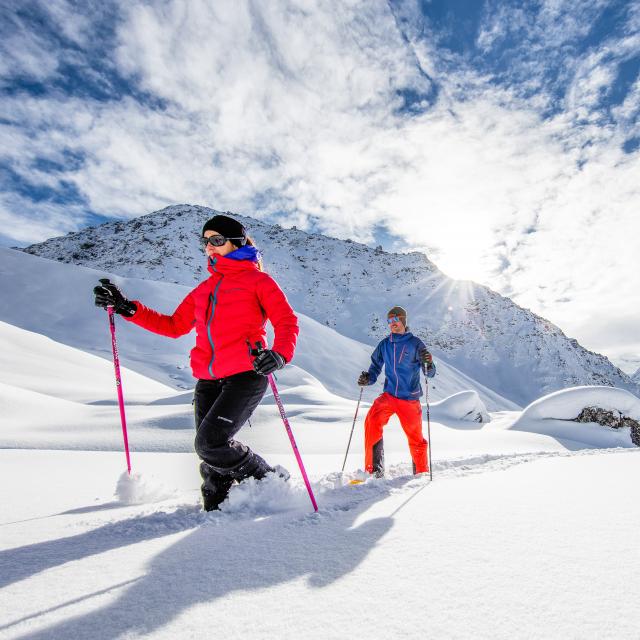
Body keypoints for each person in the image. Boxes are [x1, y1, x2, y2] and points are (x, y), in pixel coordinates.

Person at [94, 214, 299, 511]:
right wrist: (128, 308)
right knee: (211, 454)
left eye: (217, 241)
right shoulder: (205, 289)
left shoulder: (259, 281)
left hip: (246, 374)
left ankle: (269, 479)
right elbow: (173, 325)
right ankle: (216, 507)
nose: (210, 247)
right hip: (208, 380)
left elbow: (286, 321)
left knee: (210, 444)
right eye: (206, 242)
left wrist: (279, 354)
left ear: (237, 243)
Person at [357, 306, 436, 477]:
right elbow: (375, 367)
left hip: (409, 399)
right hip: (389, 396)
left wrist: (428, 363)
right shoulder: (385, 344)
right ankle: (373, 470)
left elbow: (429, 372)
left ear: (403, 321)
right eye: (389, 321)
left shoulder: (415, 343)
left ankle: (421, 472)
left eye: (395, 320)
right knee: (372, 421)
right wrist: (368, 378)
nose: (392, 324)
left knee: (415, 437)